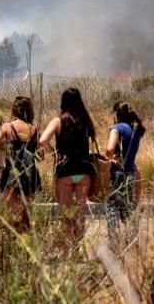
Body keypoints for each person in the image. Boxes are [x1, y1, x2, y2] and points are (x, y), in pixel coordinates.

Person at [39, 87, 95, 244]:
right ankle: (78, 248)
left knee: (67, 215)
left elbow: (42, 141)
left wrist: (54, 153)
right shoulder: (85, 121)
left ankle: (68, 249)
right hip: (84, 172)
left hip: (65, 171)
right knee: (81, 214)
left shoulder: (58, 121)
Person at [0, 96, 41, 231]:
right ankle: (26, 245)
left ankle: (12, 243)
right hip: (30, 173)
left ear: (14, 110)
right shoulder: (34, 129)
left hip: (11, 174)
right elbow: (41, 155)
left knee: (11, 214)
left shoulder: (7, 127)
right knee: (27, 214)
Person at [105, 101, 146, 233]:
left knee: (111, 208)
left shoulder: (117, 128)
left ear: (117, 114)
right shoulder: (135, 131)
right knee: (127, 210)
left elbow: (109, 149)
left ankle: (114, 241)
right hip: (131, 174)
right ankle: (133, 239)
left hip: (117, 174)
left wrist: (110, 158)